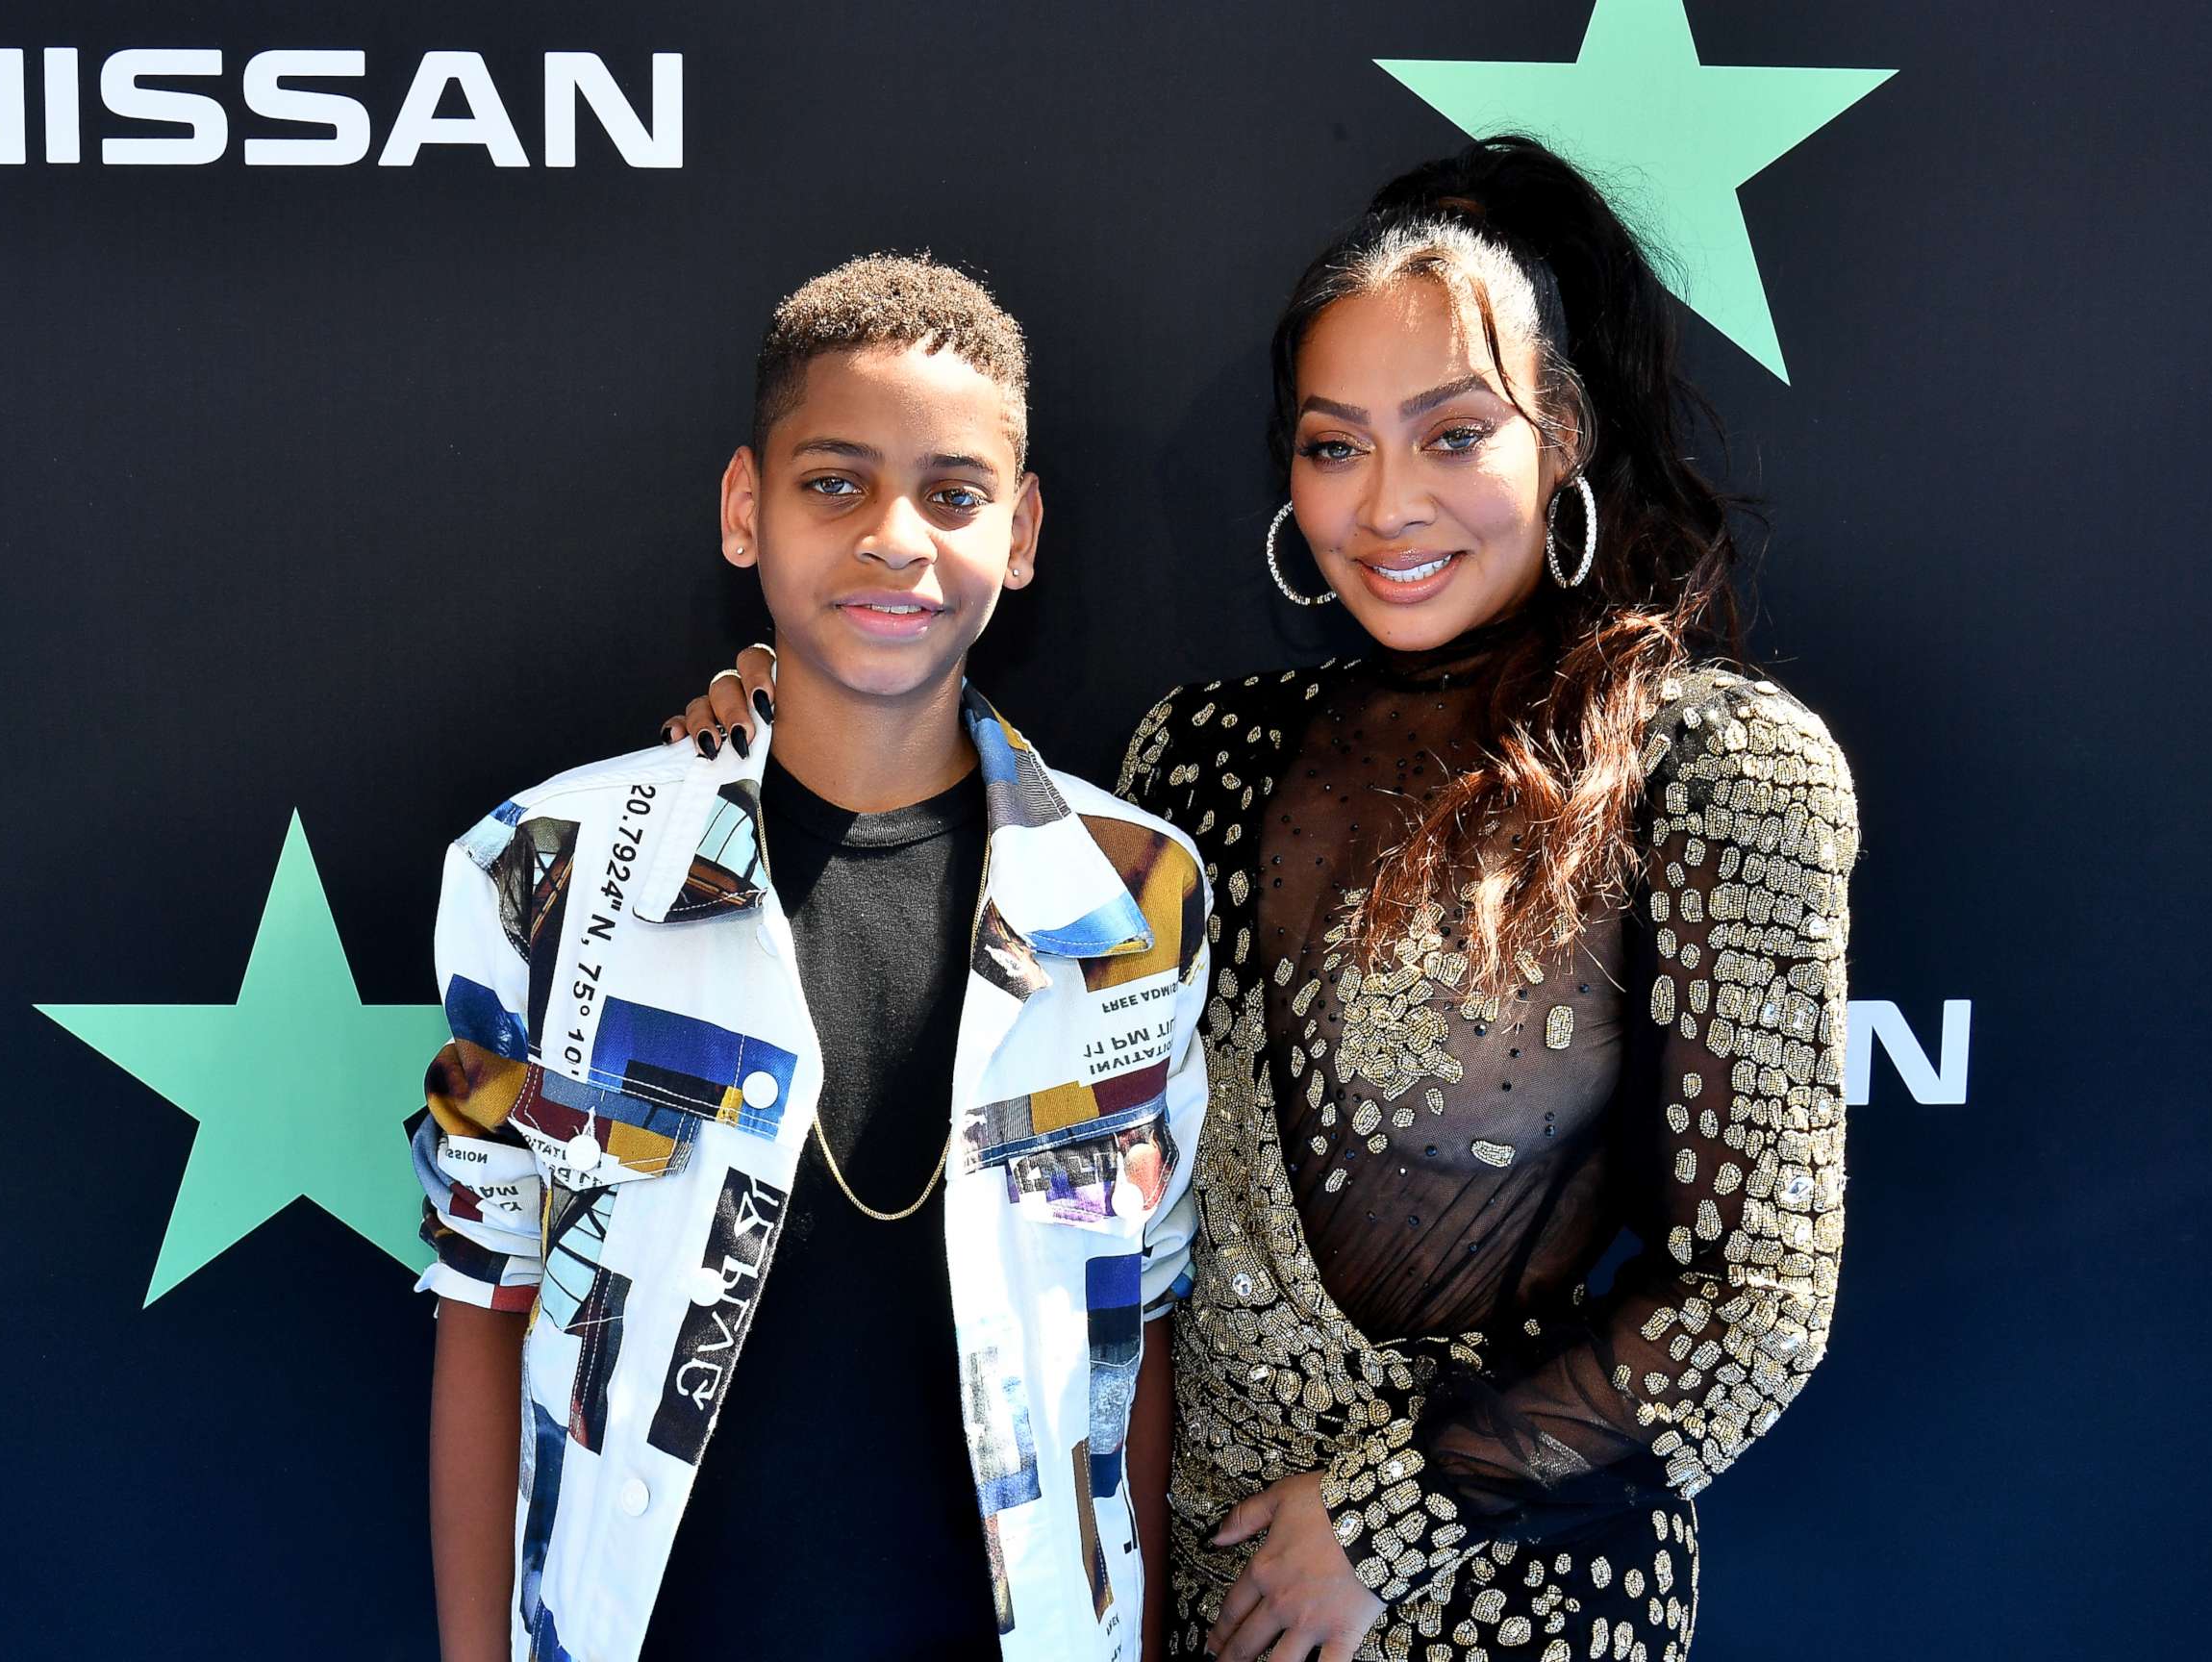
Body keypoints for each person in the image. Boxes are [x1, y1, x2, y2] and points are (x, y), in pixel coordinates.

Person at [674, 137, 1861, 1662]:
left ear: (1558, 435)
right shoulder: (1206, 753)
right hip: (1185, 1594)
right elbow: (979, 856)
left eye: (1452, 436)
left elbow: (1753, 1309)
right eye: (1332, 445)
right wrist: (802, 693)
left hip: (1504, 1595)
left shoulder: (1715, 768)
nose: (1386, 507)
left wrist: (1378, 1524)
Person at [417, 254, 1212, 1662]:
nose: (895, 537)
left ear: (1020, 534)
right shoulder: (544, 870)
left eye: (954, 495)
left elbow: (1129, 1346)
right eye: (834, 482)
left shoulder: (1132, 899)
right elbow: (487, 1311)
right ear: (746, 509)